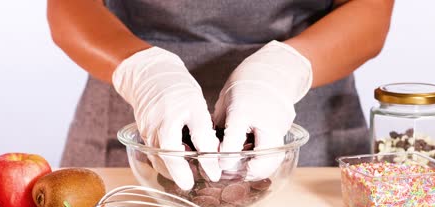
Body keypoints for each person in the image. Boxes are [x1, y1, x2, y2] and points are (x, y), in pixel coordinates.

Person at [48, 0, 394, 189]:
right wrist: (143, 73)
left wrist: (281, 72)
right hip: (134, 120)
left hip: (309, 116)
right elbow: (69, 7)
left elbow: (371, 11)